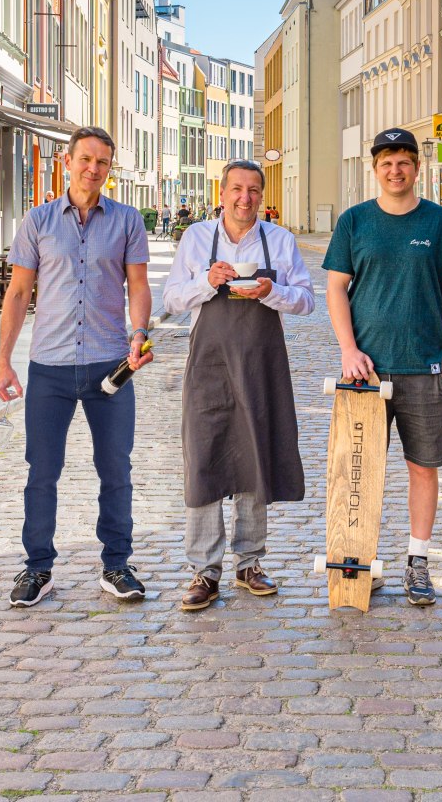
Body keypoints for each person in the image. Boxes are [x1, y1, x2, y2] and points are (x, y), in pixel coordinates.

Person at [0, 126, 155, 608]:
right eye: (86, 159)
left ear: (110, 169)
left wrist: (139, 332)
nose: (93, 169)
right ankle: (37, 568)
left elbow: (139, 288)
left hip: (111, 365)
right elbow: (19, 294)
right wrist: (4, 361)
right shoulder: (39, 221)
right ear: (67, 162)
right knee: (42, 471)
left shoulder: (127, 221)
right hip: (50, 367)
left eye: (102, 162)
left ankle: (116, 565)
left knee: (116, 470)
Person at [325, 127, 442, 607]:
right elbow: (335, 290)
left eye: (404, 161)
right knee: (359, 472)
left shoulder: (441, 222)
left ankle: (418, 562)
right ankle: (358, 563)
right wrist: (348, 349)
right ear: (375, 169)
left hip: (425, 366)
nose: (395, 170)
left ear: (417, 167)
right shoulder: (354, 222)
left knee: (422, 467)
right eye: (386, 162)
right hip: (364, 373)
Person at [161, 160, 315, 610]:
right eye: (236, 189)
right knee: (204, 457)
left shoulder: (280, 241)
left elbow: (307, 300)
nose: (244, 197)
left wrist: (271, 290)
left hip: (260, 364)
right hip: (208, 364)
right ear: (222, 193)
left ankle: (249, 562)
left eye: (252, 190)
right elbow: (170, 299)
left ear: (261, 196)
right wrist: (206, 282)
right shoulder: (195, 239)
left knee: (254, 454)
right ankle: (204, 572)